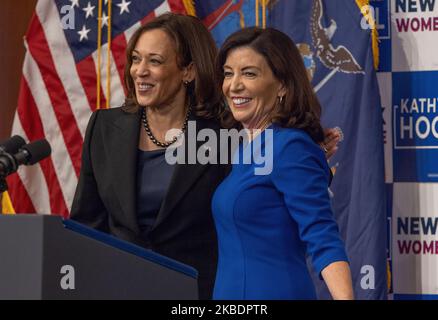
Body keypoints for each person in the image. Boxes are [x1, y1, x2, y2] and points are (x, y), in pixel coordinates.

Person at [70, 13, 340, 300]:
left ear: (188, 71)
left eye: (155, 61)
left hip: (201, 294)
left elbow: (271, 190)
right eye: (136, 59)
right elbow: (86, 225)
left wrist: (311, 154)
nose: (140, 70)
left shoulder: (230, 132)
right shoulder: (105, 128)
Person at [212, 27, 353, 300]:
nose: (233, 85)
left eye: (249, 73)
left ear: (283, 86)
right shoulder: (248, 149)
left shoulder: (290, 147)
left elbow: (322, 236)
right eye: (228, 73)